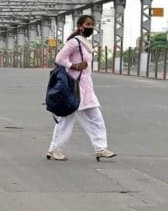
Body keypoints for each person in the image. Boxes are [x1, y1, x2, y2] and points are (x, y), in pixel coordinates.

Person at [46, 15, 116, 162]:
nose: (91, 27)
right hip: (73, 87)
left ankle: (100, 148)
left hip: (86, 87)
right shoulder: (74, 42)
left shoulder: (85, 44)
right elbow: (59, 59)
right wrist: (74, 65)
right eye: (88, 24)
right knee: (66, 120)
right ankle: (54, 149)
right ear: (80, 26)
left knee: (96, 118)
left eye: (93, 24)